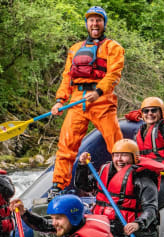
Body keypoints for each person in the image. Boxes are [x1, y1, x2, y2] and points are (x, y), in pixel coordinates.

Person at [48, 6, 124, 199]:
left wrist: (98, 91)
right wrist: (59, 100)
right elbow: (67, 78)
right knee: (66, 145)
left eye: (98, 20)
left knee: (116, 143)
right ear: (87, 24)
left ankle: (125, 180)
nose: (94, 23)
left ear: (104, 23)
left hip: (101, 100)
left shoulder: (113, 47)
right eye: (91, 20)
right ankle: (58, 185)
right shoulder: (75, 49)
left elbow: (114, 74)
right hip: (76, 101)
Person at [75, 139, 163, 237]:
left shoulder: (143, 179)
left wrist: (138, 223)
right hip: (109, 227)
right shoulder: (104, 172)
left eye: (125, 155)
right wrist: (82, 166)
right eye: (116, 155)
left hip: (136, 234)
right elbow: (84, 186)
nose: (119, 159)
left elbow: (151, 209)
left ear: (135, 158)